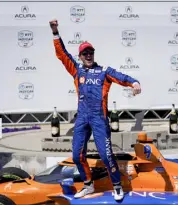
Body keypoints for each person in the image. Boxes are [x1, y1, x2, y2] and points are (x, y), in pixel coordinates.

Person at [49, 19, 141, 201]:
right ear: (80, 56)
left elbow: (121, 76)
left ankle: (116, 185)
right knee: (77, 155)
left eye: (90, 52)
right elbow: (62, 54)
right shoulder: (76, 69)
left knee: (106, 156)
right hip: (83, 117)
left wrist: (134, 82)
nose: (88, 55)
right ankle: (88, 185)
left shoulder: (103, 71)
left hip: (99, 118)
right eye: (85, 53)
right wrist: (55, 32)